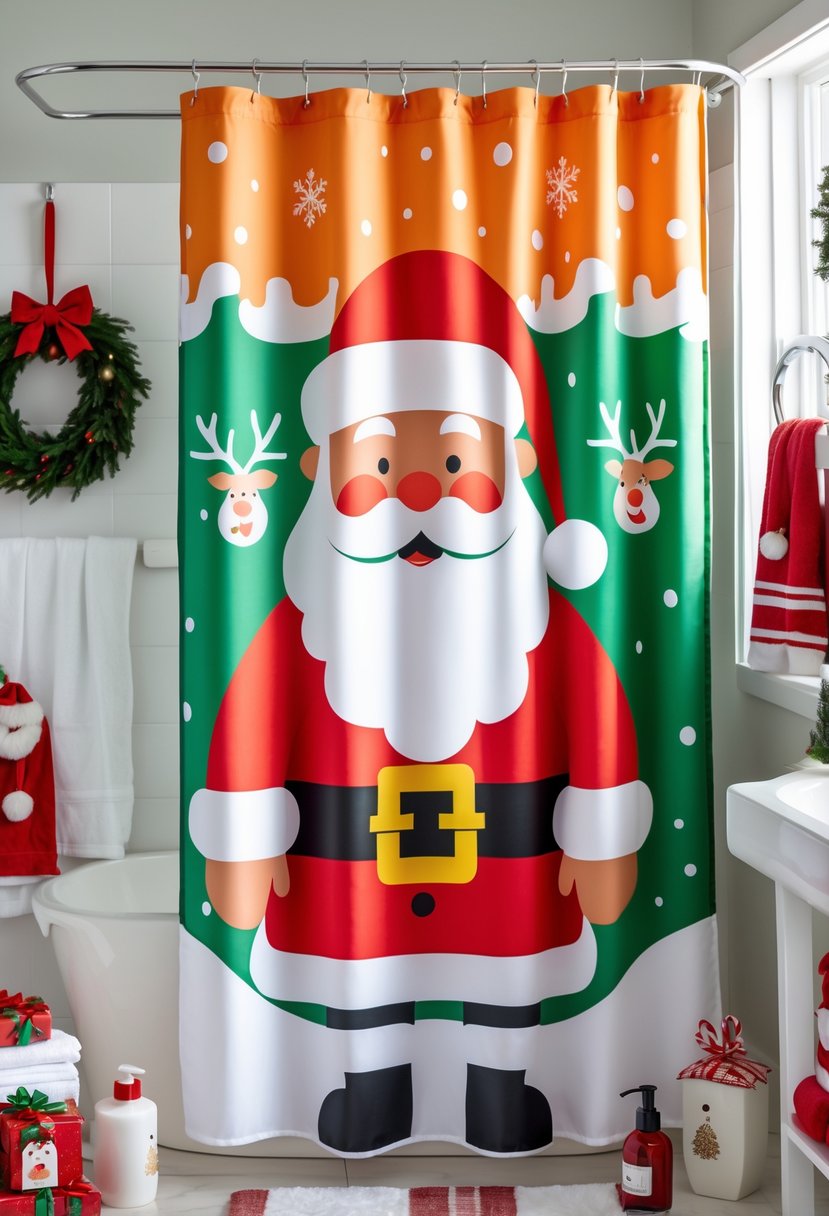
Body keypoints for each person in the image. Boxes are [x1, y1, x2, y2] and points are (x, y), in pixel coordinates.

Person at [187, 249, 652, 1154]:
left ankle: (500, 1088)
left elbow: (595, 706)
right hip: (344, 862)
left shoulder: (541, 619)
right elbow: (250, 715)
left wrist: (599, 833)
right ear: (324, 470)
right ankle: (372, 1092)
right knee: (363, 975)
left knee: (505, 974)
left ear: (510, 464)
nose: (417, 490)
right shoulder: (299, 623)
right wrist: (242, 840)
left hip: (506, 857)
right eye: (380, 461)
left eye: (450, 457)